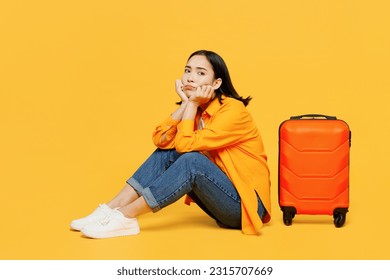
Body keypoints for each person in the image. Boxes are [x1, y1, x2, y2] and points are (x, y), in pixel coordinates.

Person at [70, 50, 271, 238]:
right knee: (167, 152)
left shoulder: (233, 111)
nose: (190, 77)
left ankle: (125, 216)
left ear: (217, 83)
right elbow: (161, 140)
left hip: (246, 208)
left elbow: (185, 147)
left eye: (201, 73)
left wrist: (190, 104)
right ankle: (110, 209)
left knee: (191, 160)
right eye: (187, 70)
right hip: (220, 199)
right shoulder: (198, 110)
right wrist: (186, 105)